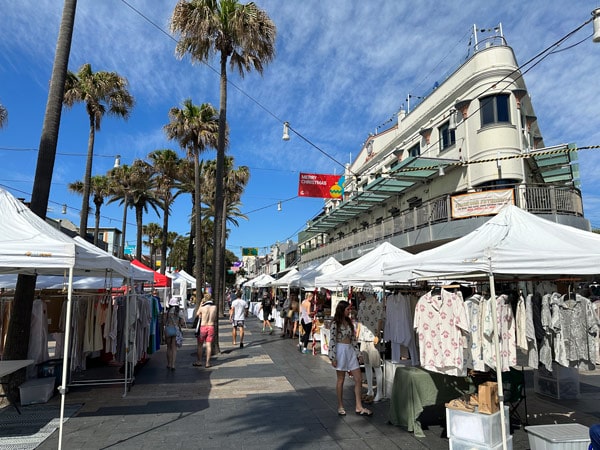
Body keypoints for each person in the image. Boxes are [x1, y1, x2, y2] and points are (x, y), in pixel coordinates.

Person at [328, 300, 372, 417]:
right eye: (348, 309)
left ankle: (359, 406)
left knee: (358, 378)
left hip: (350, 350)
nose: (350, 311)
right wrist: (332, 357)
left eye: (350, 309)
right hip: (340, 350)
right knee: (341, 379)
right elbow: (332, 340)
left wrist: (358, 354)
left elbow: (353, 339)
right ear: (342, 310)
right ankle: (340, 405)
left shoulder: (349, 322)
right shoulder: (335, 324)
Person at [357, 290, 384, 403]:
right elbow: (359, 320)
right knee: (367, 364)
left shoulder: (378, 305)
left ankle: (380, 392)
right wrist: (357, 334)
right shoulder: (362, 304)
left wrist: (377, 334)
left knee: (376, 365)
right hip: (363, 337)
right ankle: (370, 390)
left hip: (373, 338)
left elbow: (380, 319)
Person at [193, 293, 217, 368]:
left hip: (203, 327)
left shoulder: (202, 308)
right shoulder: (214, 307)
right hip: (211, 326)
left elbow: (197, 314)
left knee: (200, 345)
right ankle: (207, 363)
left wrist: (200, 304)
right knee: (208, 345)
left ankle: (199, 361)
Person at [164, 297, 185, 371]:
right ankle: (173, 365)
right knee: (174, 348)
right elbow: (182, 323)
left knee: (168, 347)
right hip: (176, 330)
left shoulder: (167, 311)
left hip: (168, 329)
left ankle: (168, 364)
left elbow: (164, 321)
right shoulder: (179, 311)